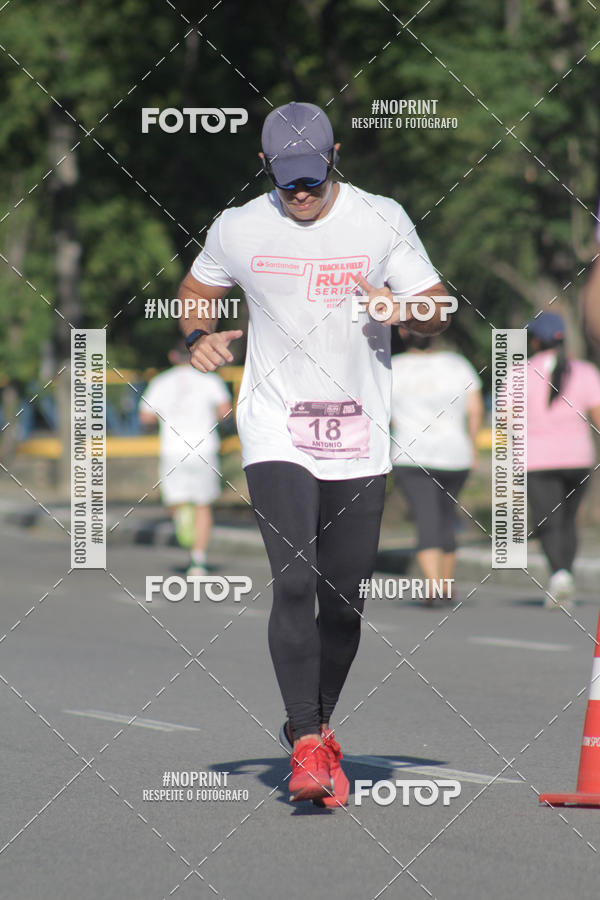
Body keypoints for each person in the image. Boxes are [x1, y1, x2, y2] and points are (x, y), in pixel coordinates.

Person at [177, 101, 451, 806]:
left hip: (361, 434)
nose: (302, 193)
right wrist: (196, 337)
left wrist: (405, 312)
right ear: (266, 167)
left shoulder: (381, 217)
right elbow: (197, 290)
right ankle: (305, 741)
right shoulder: (238, 227)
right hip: (275, 428)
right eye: (289, 180)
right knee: (294, 580)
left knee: (345, 598)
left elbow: (438, 307)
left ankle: (320, 721)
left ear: (334, 159)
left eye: (313, 178)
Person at [390, 329, 484, 606]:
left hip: (411, 455)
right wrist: (473, 445)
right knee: (445, 517)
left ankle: (433, 586)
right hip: (455, 455)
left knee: (426, 518)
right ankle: (446, 583)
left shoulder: (393, 367)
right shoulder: (457, 364)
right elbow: (475, 408)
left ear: (404, 335)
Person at [525, 312, 600, 610]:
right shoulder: (585, 371)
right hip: (578, 458)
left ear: (534, 341)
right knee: (568, 520)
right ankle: (564, 575)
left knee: (549, 521)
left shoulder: (521, 372)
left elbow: (505, 421)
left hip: (539, 460)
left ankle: (559, 574)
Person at [138, 342, 232, 576]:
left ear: (172, 355)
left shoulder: (160, 381)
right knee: (203, 505)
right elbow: (226, 411)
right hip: (205, 449)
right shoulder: (211, 380)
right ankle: (198, 559)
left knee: (176, 502)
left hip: (172, 450)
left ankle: (183, 526)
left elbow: (145, 417)